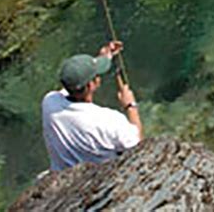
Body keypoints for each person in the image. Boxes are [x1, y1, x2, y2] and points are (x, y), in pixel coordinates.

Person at [42, 41, 143, 171]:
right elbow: (139, 147)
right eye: (96, 75)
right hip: (99, 179)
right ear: (91, 85)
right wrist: (130, 105)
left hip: (62, 175)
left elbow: (73, 81)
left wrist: (103, 58)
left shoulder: (49, 103)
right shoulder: (109, 121)